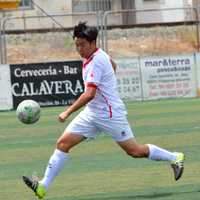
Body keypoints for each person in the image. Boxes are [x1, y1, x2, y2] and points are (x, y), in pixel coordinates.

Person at [22, 22, 185, 199]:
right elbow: (113, 65)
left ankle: (175, 157)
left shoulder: (96, 62)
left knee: (135, 151)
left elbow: (90, 94)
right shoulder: (99, 56)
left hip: (110, 114)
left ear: (93, 43)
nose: (79, 49)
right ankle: (43, 186)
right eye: (76, 44)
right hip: (92, 113)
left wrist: (67, 112)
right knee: (63, 144)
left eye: (82, 45)